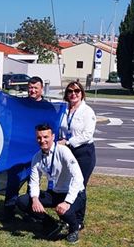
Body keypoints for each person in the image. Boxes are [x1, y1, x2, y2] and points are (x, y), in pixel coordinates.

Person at [16, 124, 86, 244]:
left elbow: (78, 177)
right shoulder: (37, 157)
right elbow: (34, 181)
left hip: (74, 194)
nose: (42, 141)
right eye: (39, 138)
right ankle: (51, 224)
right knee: (22, 201)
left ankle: (74, 229)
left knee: (64, 211)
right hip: (54, 193)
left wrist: (67, 202)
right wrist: (35, 199)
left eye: (45, 137)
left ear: (53, 136)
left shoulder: (63, 151)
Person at [3, 76, 46, 221]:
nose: (33, 91)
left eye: (36, 88)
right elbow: (3, 103)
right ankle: (9, 210)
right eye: (30, 88)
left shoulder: (47, 107)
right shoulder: (20, 103)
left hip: (35, 152)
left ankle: (29, 212)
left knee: (33, 182)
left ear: (42, 89)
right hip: (16, 150)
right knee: (13, 181)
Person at [58, 81, 96, 231]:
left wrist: (68, 142)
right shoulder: (63, 109)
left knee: (79, 186)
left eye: (77, 91)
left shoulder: (87, 111)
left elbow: (87, 135)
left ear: (82, 93)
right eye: (70, 91)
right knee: (67, 184)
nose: (73, 94)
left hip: (83, 153)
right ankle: (67, 215)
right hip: (66, 152)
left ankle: (78, 220)